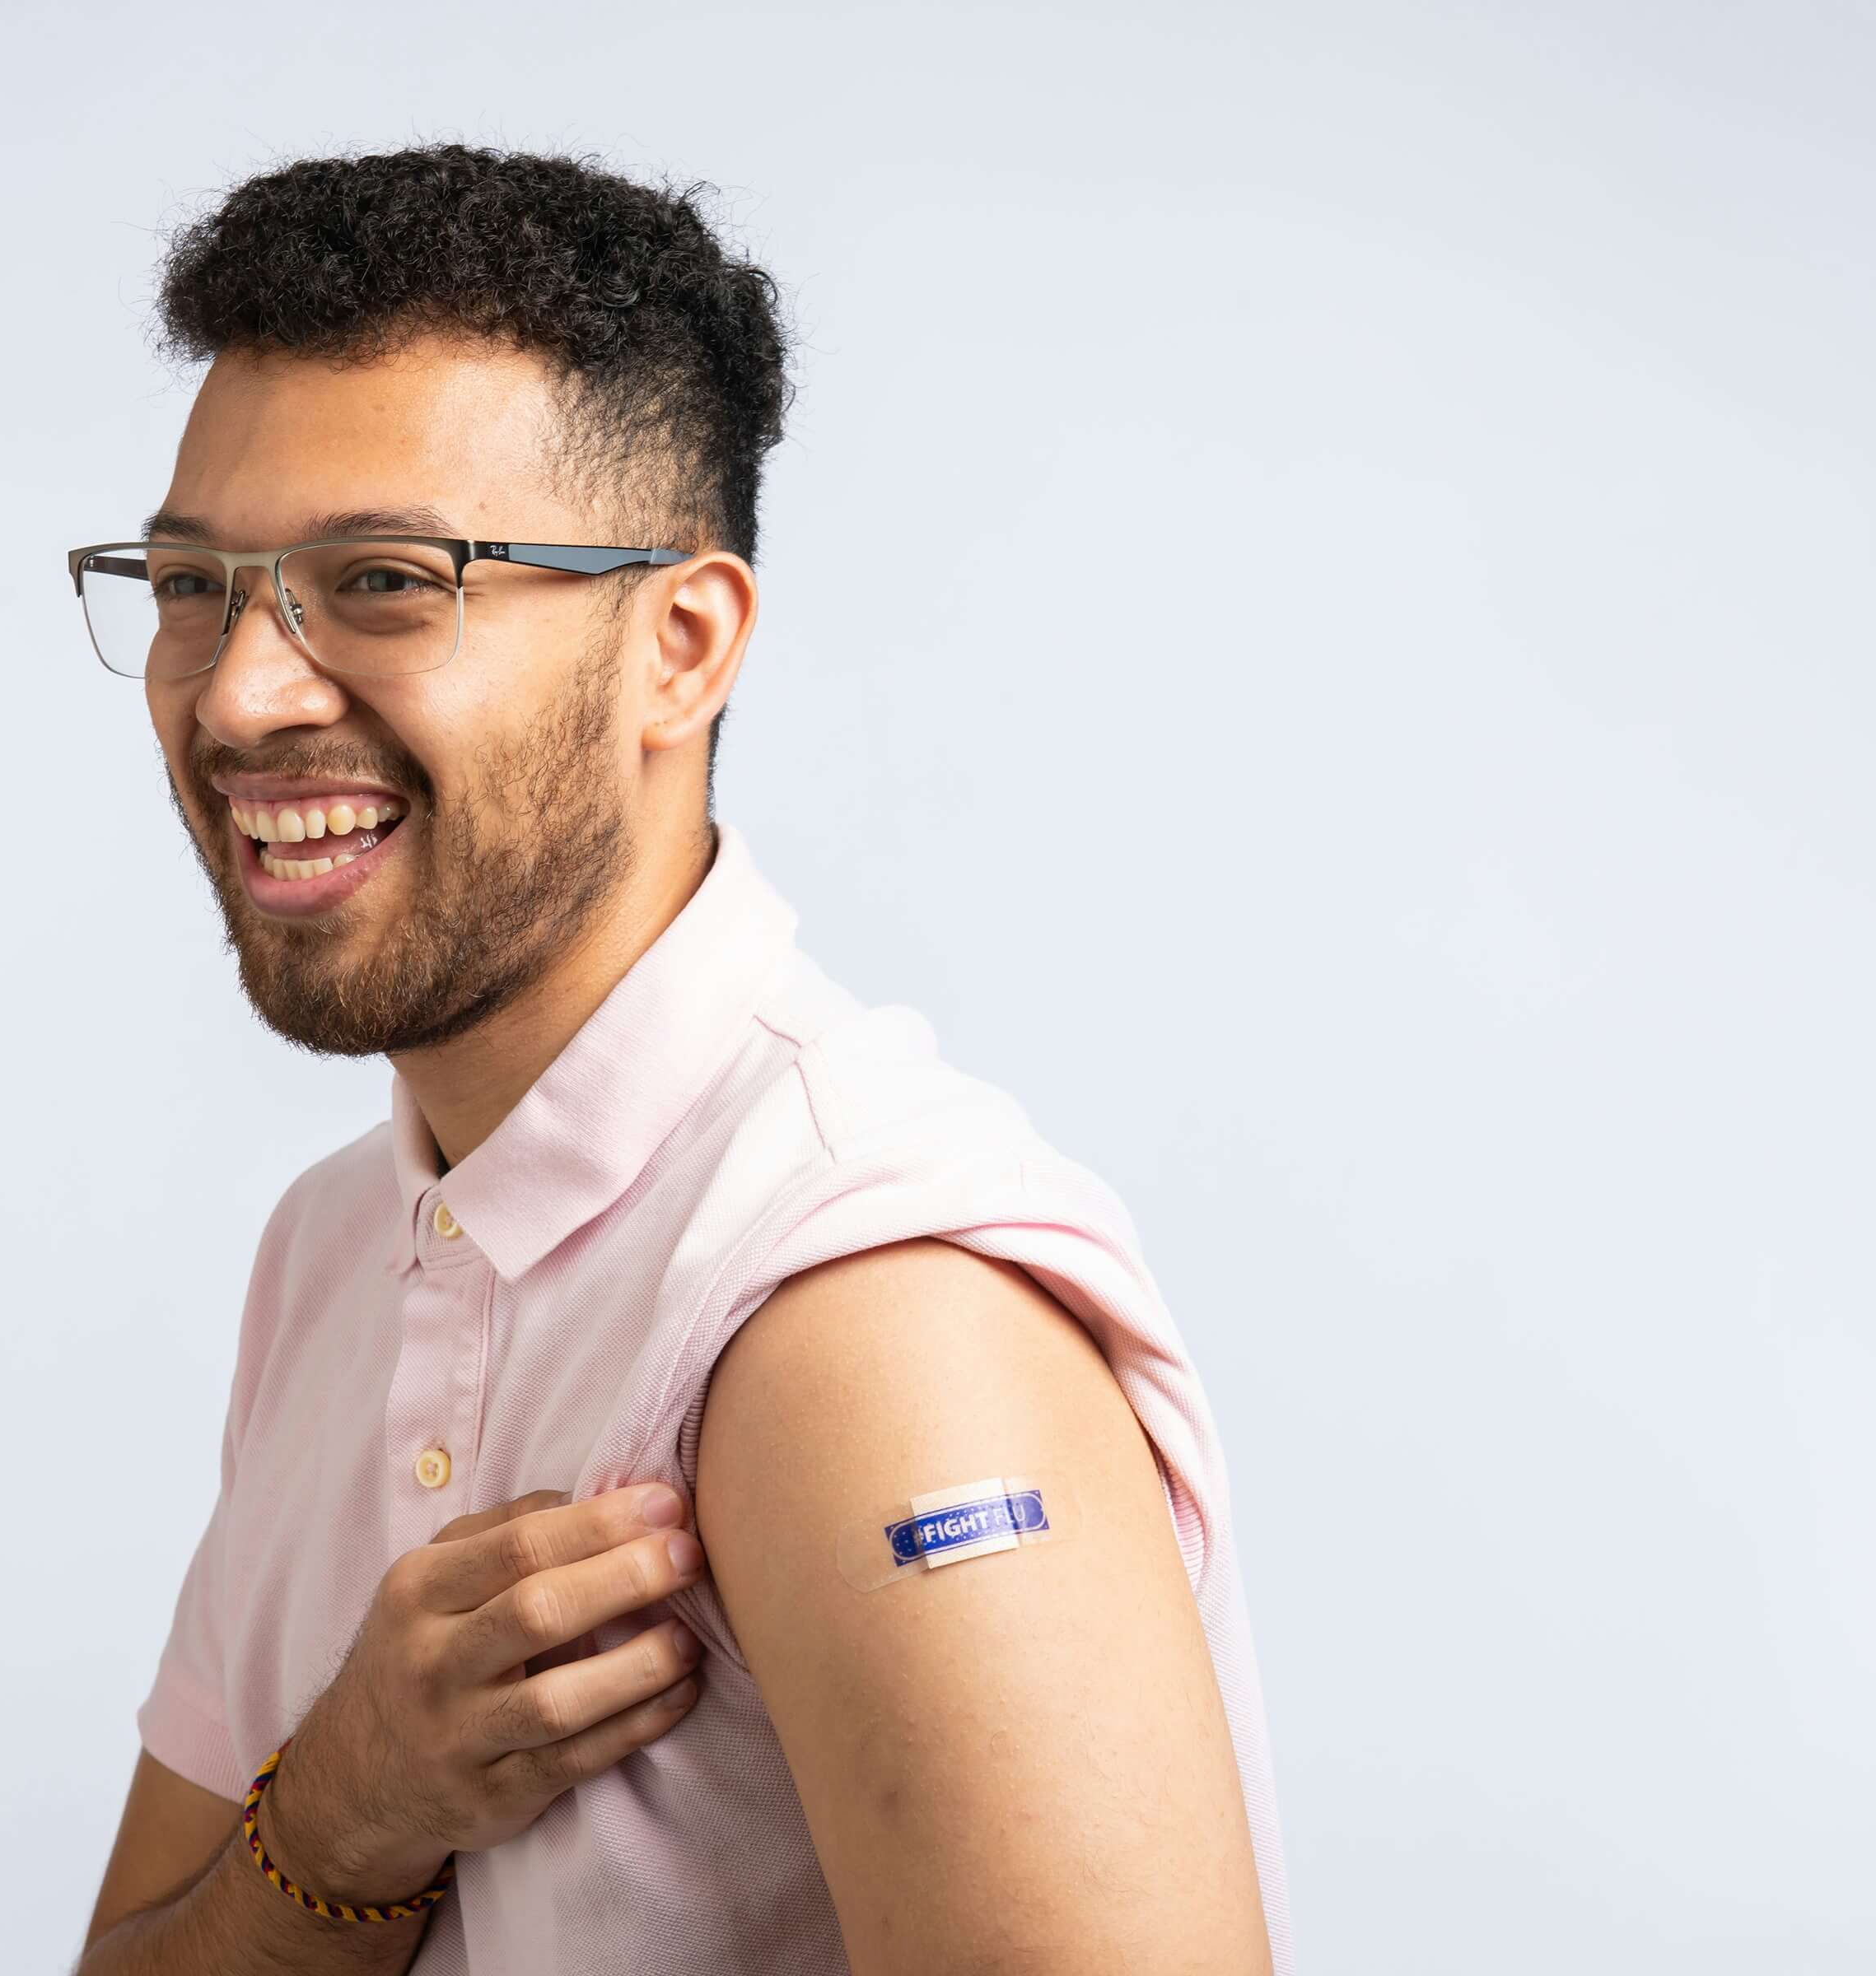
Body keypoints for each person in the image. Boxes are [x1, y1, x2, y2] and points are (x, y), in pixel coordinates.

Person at [68, 143, 1291, 1976]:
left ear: (680, 646)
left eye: (383, 581)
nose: (241, 692)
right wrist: (340, 1814)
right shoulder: (339, 1247)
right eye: (192, 585)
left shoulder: (870, 1321)